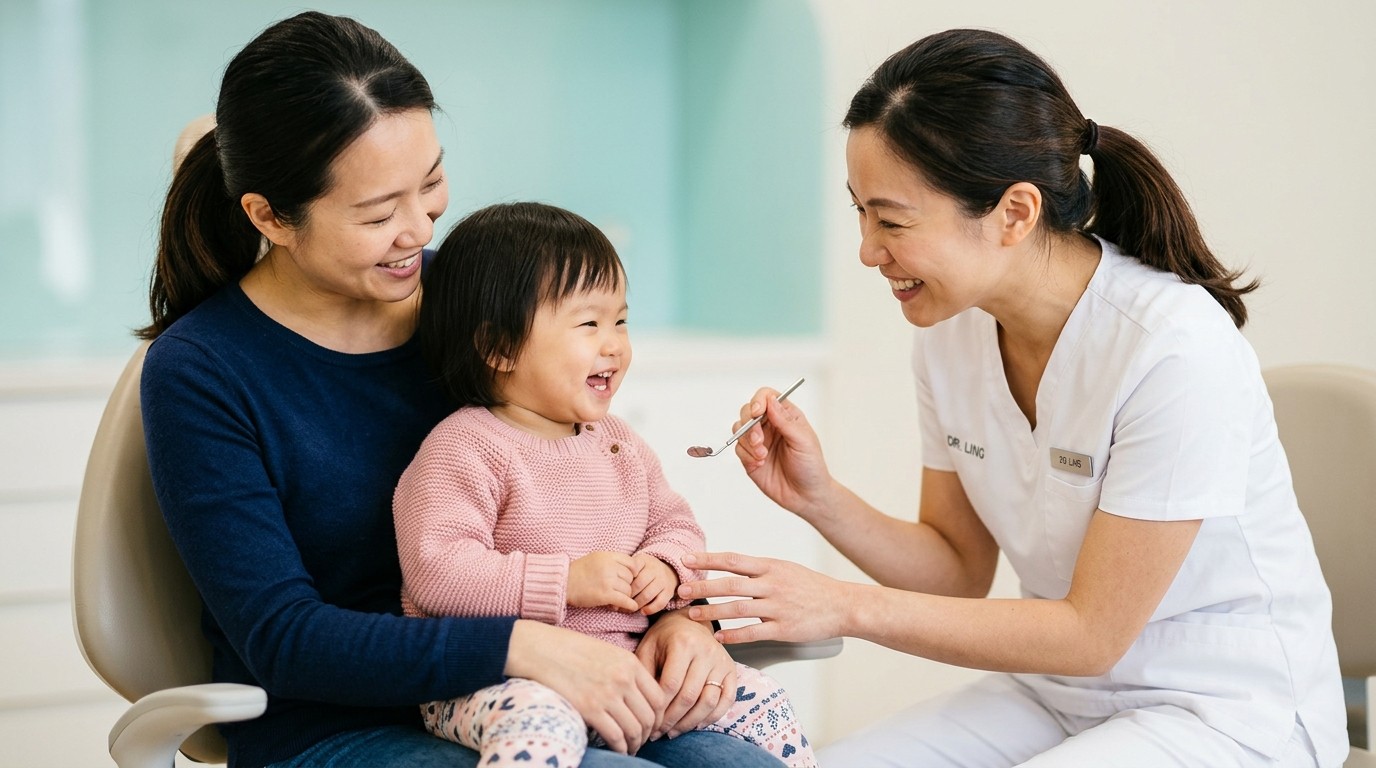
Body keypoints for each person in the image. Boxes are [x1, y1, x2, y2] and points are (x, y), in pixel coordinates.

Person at [676, 28, 1347, 768]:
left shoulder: (1174, 349)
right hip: (1054, 692)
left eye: (892, 220)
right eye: (860, 213)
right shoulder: (949, 335)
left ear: (1015, 213)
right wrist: (818, 496)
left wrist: (843, 605)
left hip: (1223, 708)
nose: (868, 249)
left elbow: (1095, 632)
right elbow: (958, 568)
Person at [137, 12, 785, 768]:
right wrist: (524, 647)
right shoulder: (205, 369)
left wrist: (680, 620)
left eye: (433, 182)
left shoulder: (480, 304)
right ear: (270, 216)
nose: (419, 229)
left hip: (566, 672)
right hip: (337, 726)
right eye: (379, 213)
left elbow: (608, 503)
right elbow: (284, 638)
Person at [392, 201, 815, 768]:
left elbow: (675, 524)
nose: (614, 343)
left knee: (761, 702)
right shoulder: (463, 447)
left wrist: (665, 568)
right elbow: (438, 571)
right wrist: (566, 581)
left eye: (620, 320)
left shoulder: (618, 442)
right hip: (494, 680)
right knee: (543, 727)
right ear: (499, 347)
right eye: (589, 323)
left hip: (625, 671)